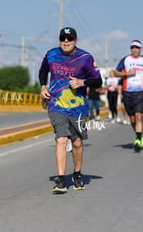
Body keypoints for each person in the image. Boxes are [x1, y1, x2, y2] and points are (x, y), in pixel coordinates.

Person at [39, 27, 102, 193]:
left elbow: (98, 81)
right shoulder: (51, 54)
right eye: (63, 39)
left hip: (78, 108)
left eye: (69, 39)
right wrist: (43, 86)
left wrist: (82, 83)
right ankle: (60, 180)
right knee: (61, 139)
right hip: (56, 104)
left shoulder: (85, 58)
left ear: (75, 41)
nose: (66, 42)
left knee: (77, 142)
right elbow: (43, 71)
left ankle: (77, 174)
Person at [114, 40, 143, 152]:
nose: (134, 49)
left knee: (139, 116)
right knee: (132, 119)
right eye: (132, 47)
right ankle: (138, 134)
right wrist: (127, 73)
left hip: (141, 91)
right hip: (128, 92)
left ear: (140, 49)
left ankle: (139, 138)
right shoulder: (126, 60)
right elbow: (116, 73)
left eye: (136, 47)